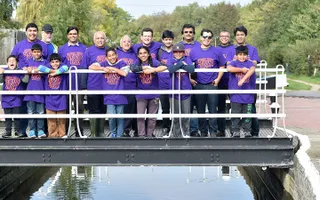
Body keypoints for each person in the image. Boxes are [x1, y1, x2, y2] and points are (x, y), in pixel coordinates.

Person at [11, 22, 48, 137]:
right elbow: (12, 59)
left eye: (34, 31)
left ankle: (41, 130)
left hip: (39, 81)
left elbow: (47, 61)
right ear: (26, 32)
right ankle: (23, 131)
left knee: (40, 106)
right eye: (30, 31)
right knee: (25, 106)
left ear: (37, 32)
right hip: (24, 79)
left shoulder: (43, 45)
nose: (32, 33)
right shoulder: (19, 45)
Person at [190, 29, 226, 137]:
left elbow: (222, 66)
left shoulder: (217, 51)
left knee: (212, 110)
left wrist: (218, 79)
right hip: (198, 85)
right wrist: (190, 79)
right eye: (205, 36)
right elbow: (187, 65)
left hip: (212, 84)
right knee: (200, 110)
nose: (207, 39)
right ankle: (203, 132)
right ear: (201, 37)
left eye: (209, 37)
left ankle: (213, 132)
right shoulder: (194, 51)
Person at [90, 48, 129, 137]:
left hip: (120, 94)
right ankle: (113, 133)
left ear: (116, 55)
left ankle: (119, 135)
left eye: (113, 55)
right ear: (106, 58)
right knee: (111, 117)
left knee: (120, 116)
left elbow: (124, 73)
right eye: (109, 56)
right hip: (109, 96)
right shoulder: (104, 64)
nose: (112, 57)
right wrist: (103, 68)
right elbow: (91, 66)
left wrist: (111, 68)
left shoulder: (122, 63)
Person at [130, 46, 167, 137]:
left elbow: (164, 66)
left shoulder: (153, 61)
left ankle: (150, 135)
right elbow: (132, 68)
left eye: (145, 53)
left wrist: (153, 70)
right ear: (138, 55)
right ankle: (142, 135)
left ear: (149, 54)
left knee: (152, 117)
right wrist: (143, 69)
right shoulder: (137, 62)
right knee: (140, 116)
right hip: (141, 94)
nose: (143, 55)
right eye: (141, 53)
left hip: (153, 94)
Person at [58, 26, 87, 137]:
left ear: (78, 35)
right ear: (67, 35)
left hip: (79, 84)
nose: (72, 36)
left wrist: (84, 84)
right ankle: (65, 131)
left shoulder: (84, 48)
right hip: (66, 84)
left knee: (79, 108)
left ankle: (79, 131)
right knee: (66, 108)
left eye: (74, 34)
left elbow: (86, 66)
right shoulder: (62, 49)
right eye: (70, 34)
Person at [234, 25, 260, 136]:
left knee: (250, 110)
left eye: (242, 34)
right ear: (235, 36)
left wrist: (247, 63)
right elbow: (229, 64)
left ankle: (253, 132)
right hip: (235, 86)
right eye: (238, 35)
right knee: (235, 110)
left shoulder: (252, 49)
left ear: (245, 35)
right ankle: (235, 131)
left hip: (249, 86)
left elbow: (254, 63)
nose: (240, 37)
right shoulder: (232, 49)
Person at [81, 31, 108, 137]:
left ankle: (101, 132)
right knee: (93, 109)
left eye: (102, 38)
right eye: (98, 38)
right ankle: (93, 133)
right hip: (93, 85)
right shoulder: (88, 51)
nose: (100, 40)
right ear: (94, 40)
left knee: (102, 109)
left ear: (105, 39)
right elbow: (84, 68)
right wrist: (84, 86)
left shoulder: (109, 51)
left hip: (106, 86)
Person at [227, 46, 256, 138]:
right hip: (236, 94)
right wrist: (241, 70)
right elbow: (229, 69)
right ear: (236, 55)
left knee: (247, 114)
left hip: (248, 94)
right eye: (240, 55)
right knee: (235, 113)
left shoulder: (250, 63)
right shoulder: (233, 63)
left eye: (244, 55)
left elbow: (252, 70)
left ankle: (247, 131)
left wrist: (243, 79)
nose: (242, 57)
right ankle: (235, 131)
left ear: (247, 55)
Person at [37, 53, 69, 138]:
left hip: (61, 98)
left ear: (60, 62)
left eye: (57, 62)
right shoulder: (47, 69)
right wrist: (52, 71)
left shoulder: (63, 70)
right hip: (50, 98)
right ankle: (52, 135)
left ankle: (62, 134)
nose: (55, 64)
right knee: (51, 119)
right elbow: (40, 67)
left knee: (61, 119)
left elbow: (66, 67)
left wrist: (56, 73)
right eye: (53, 62)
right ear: (50, 63)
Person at [167, 43, 195, 137]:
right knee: (175, 116)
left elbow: (191, 69)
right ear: (173, 53)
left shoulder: (187, 59)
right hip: (174, 92)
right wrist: (181, 64)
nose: (178, 54)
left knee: (185, 115)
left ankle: (186, 134)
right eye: (176, 52)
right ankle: (176, 135)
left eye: (180, 52)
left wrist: (179, 66)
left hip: (185, 91)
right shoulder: (170, 59)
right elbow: (171, 69)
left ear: (183, 52)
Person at [179, 24, 201, 137]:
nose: (188, 34)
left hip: (197, 79)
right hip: (183, 80)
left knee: (195, 106)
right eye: (186, 32)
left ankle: (194, 129)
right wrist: (189, 78)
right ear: (182, 33)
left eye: (190, 32)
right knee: (184, 107)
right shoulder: (178, 46)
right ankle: (183, 129)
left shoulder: (198, 45)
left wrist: (192, 78)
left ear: (193, 33)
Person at [0, 55, 29, 138]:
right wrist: (1, 73)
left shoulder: (19, 71)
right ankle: (8, 131)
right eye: (10, 61)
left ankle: (17, 131)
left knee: (16, 116)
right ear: (7, 63)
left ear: (17, 63)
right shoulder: (5, 71)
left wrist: (25, 72)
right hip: (6, 98)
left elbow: (25, 80)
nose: (12, 62)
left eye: (14, 61)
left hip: (17, 98)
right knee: (7, 116)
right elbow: (1, 81)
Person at [23, 44, 48, 138]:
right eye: (34, 52)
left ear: (41, 53)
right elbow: (23, 68)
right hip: (30, 92)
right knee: (30, 111)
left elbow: (47, 70)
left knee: (41, 112)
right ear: (32, 52)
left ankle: (40, 130)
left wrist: (38, 69)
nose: (37, 53)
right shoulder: (28, 61)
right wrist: (26, 69)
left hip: (41, 91)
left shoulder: (45, 62)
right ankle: (32, 130)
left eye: (38, 52)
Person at [116, 35, 138, 137]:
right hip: (120, 85)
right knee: (121, 109)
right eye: (124, 41)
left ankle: (128, 130)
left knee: (131, 108)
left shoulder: (135, 54)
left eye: (129, 41)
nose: (126, 43)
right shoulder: (117, 53)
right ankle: (119, 130)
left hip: (133, 84)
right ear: (121, 43)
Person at [216, 30, 235, 137]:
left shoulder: (234, 48)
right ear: (219, 37)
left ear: (229, 37)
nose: (224, 38)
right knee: (221, 107)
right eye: (222, 36)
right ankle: (221, 129)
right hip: (220, 82)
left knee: (234, 106)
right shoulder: (215, 49)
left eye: (226, 36)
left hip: (232, 81)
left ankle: (234, 130)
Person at [158, 30, 175, 136]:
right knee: (165, 108)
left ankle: (175, 126)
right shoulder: (159, 51)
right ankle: (166, 126)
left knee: (175, 107)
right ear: (162, 40)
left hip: (174, 83)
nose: (168, 41)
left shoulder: (176, 50)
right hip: (162, 83)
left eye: (170, 39)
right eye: (166, 39)